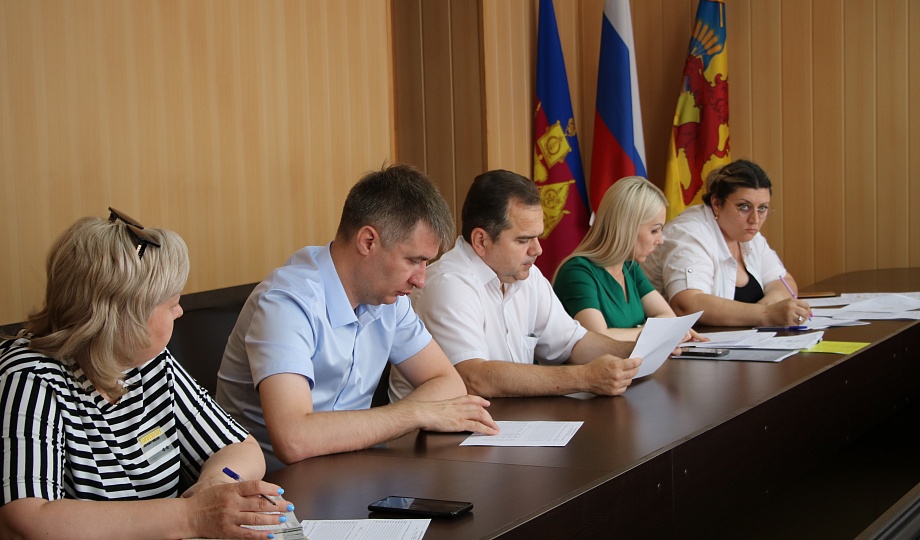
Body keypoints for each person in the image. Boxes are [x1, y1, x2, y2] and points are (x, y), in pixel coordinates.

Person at [0, 210, 290, 540]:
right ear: (124, 317)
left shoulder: (147, 361)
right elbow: (26, 520)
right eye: (170, 303)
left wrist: (216, 485)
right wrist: (191, 516)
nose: (180, 311)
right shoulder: (29, 379)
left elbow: (241, 447)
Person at [216, 164, 499, 472]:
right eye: (413, 260)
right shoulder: (286, 302)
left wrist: (414, 412)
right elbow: (294, 439)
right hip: (275, 485)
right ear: (367, 242)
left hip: (351, 471)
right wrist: (416, 413)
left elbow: (448, 382)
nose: (420, 280)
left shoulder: (389, 298)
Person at [388, 169, 641, 401]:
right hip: (431, 432)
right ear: (481, 241)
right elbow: (474, 377)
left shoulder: (526, 275)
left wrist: (637, 353)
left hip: (506, 422)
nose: (538, 250)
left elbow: (574, 343)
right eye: (523, 240)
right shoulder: (448, 284)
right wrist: (584, 377)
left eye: (538, 237)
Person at [642, 159, 812, 327]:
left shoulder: (748, 234)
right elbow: (687, 304)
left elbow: (784, 281)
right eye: (744, 207)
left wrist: (768, 308)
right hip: (684, 341)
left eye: (762, 208)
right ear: (716, 204)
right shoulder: (688, 233)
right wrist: (766, 314)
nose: (755, 219)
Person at [553, 176, 705, 343]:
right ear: (627, 227)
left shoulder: (629, 266)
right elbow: (597, 338)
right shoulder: (577, 272)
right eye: (654, 231)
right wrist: (656, 331)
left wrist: (661, 329)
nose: (660, 240)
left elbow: (668, 316)